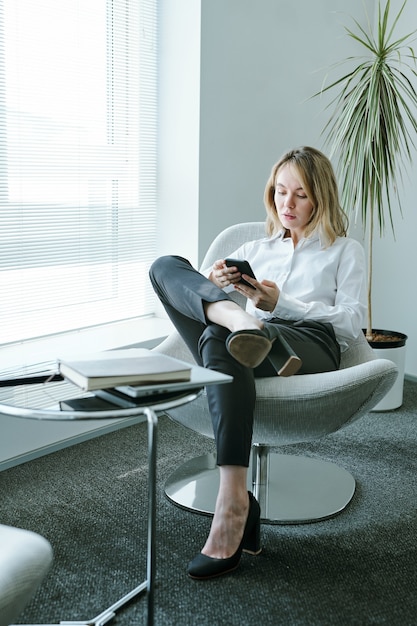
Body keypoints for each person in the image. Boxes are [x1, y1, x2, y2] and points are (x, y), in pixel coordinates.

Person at [149, 146, 366, 580]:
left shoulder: (344, 250)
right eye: (280, 192)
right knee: (165, 266)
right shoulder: (254, 247)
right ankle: (233, 317)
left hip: (310, 343)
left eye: (300, 194)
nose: (287, 204)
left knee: (226, 336)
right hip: (246, 337)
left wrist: (282, 304)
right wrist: (214, 289)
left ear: (321, 197)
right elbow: (195, 286)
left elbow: (353, 323)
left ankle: (231, 504)